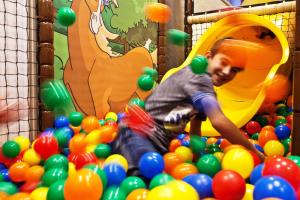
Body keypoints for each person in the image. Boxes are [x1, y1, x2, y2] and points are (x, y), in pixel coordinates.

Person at [111, 38, 265, 178]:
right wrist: (252, 150)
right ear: (208, 57)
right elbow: (219, 121)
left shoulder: (206, 93)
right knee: (143, 181)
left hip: (152, 142)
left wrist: (199, 161)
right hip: (137, 136)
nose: (226, 72)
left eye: (234, 70)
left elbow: (195, 131)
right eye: (224, 62)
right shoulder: (199, 78)